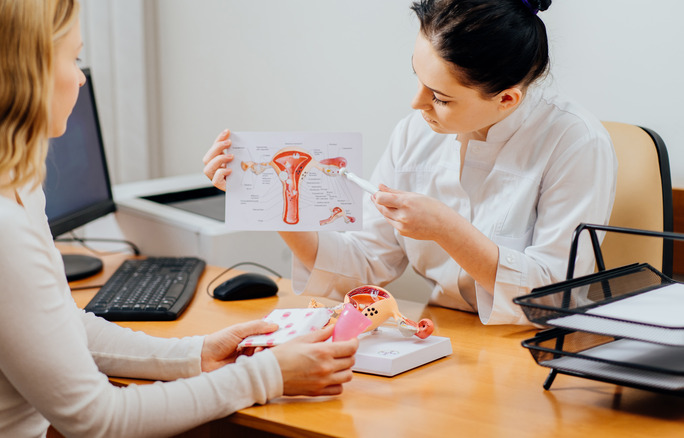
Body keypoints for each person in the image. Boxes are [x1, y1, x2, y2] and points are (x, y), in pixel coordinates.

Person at [0, 1, 358, 436]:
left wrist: (194, 352)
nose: (80, 79)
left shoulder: (11, 185)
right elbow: (98, 420)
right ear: (26, 71)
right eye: (73, 57)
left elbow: (63, 325)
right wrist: (266, 376)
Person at [203, 0, 616, 325]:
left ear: (506, 98)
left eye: (440, 97)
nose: (416, 103)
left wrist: (446, 229)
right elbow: (364, 265)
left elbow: (550, 294)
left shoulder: (576, 144)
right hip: (443, 334)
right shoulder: (416, 132)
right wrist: (274, 201)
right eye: (418, 78)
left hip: (536, 346)